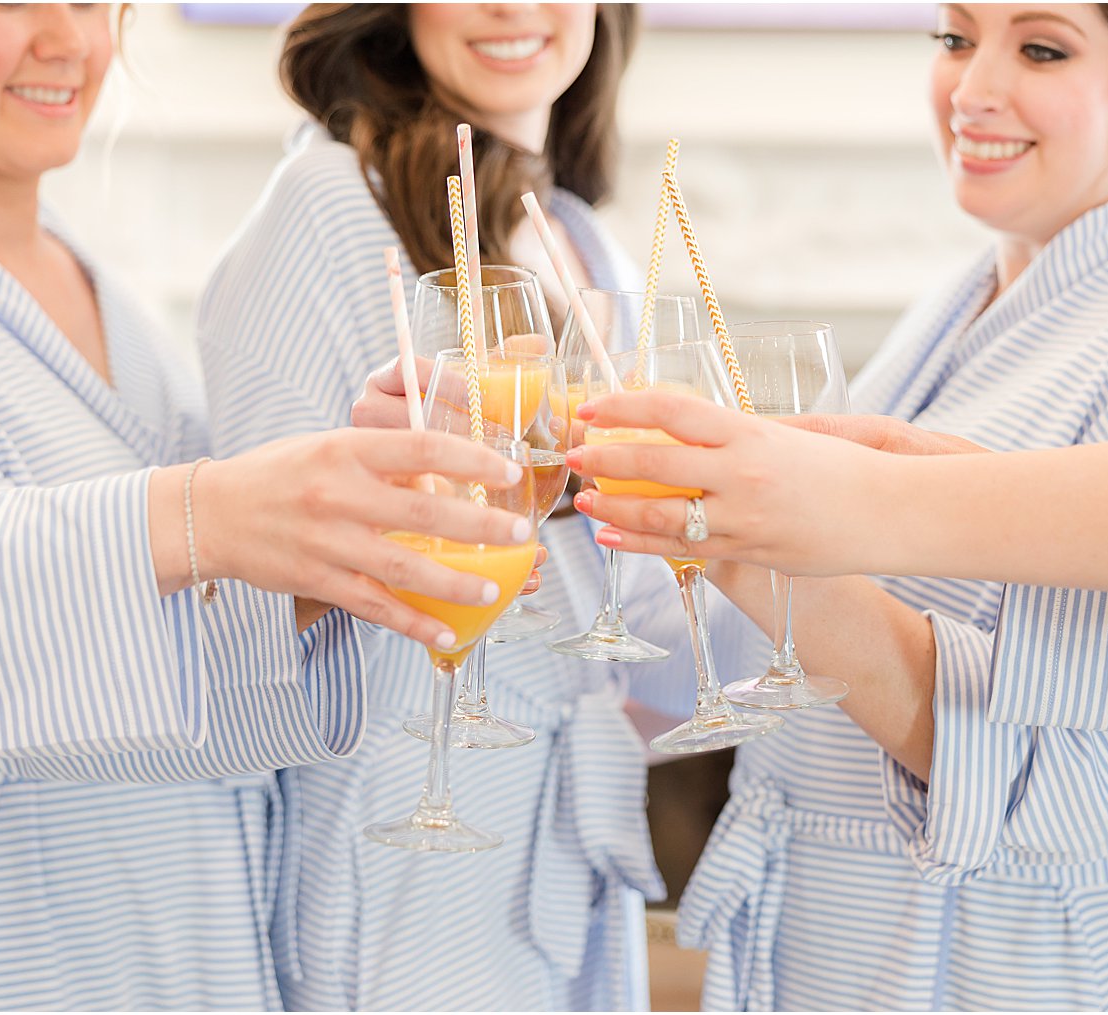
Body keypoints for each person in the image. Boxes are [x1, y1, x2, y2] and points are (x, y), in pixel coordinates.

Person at [575, 4, 1108, 1009]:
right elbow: (768, 648)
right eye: (954, 39)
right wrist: (582, 544)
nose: (971, 89)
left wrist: (738, 537)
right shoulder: (959, 302)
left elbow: (1067, 785)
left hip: (1049, 976)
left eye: (1040, 48)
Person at [0, 5, 533, 1009]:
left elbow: (177, 640)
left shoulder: (113, 304)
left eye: (86, 3)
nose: (64, 40)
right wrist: (206, 512)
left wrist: (349, 523)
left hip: (179, 934)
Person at [196, 4, 768, 1010]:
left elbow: (630, 628)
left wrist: (779, 564)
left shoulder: (580, 241)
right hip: (403, 853)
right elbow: (243, 620)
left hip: (551, 858)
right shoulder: (328, 204)